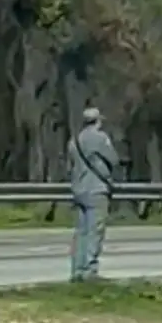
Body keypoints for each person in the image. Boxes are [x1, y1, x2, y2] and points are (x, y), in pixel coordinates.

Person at [66, 106, 119, 282]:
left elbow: (70, 165)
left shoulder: (74, 140)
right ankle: (90, 270)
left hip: (79, 189)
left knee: (81, 232)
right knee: (95, 231)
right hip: (96, 189)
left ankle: (77, 270)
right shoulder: (100, 138)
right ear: (98, 121)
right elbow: (113, 159)